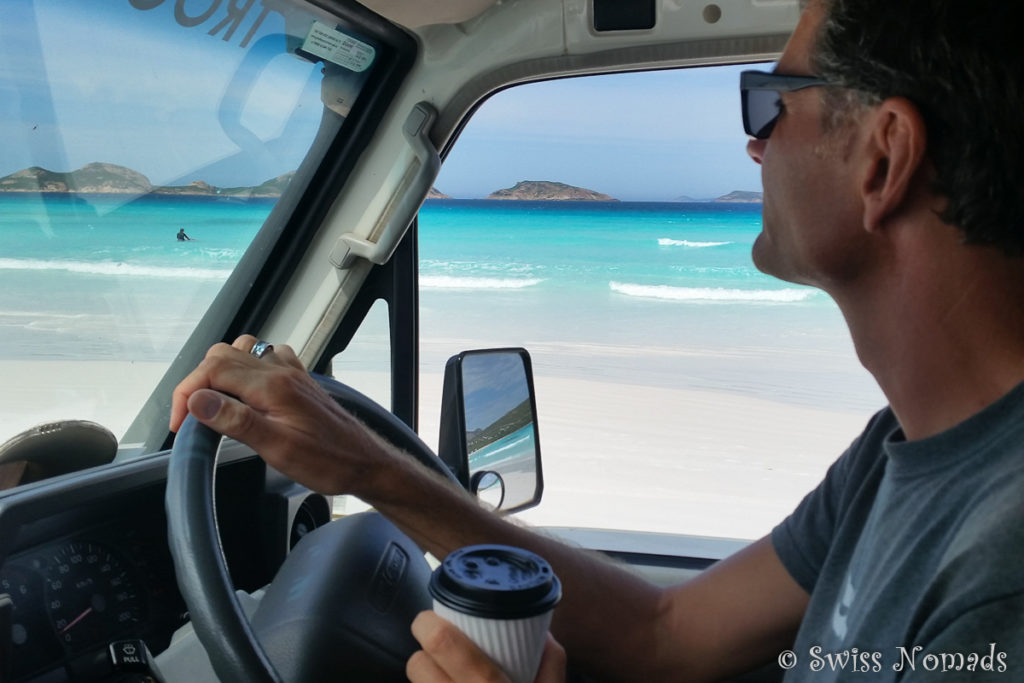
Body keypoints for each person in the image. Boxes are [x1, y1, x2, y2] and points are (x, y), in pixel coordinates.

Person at [170, 0, 1024, 679]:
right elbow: (668, 631)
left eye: (771, 101)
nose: (755, 144)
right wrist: (369, 468)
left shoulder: (1002, 570)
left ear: (884, 158)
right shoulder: (901, 449)